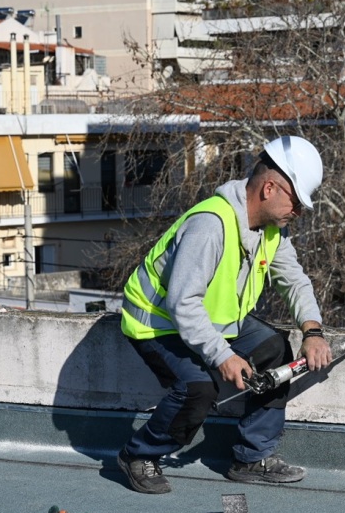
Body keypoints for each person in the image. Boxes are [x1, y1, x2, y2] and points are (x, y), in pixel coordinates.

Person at [117, 135, 333, 494]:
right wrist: (223, 356)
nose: (297, 212)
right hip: (156, 324)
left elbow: (294, 282)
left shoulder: (270, 232)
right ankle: (138, 454)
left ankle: (252, 457)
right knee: (197, 388)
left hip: (211, 322)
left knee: (274, 348)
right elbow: (183, 304)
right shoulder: (210, 225)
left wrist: (313, 331)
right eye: (295, 202)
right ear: (269, 189)